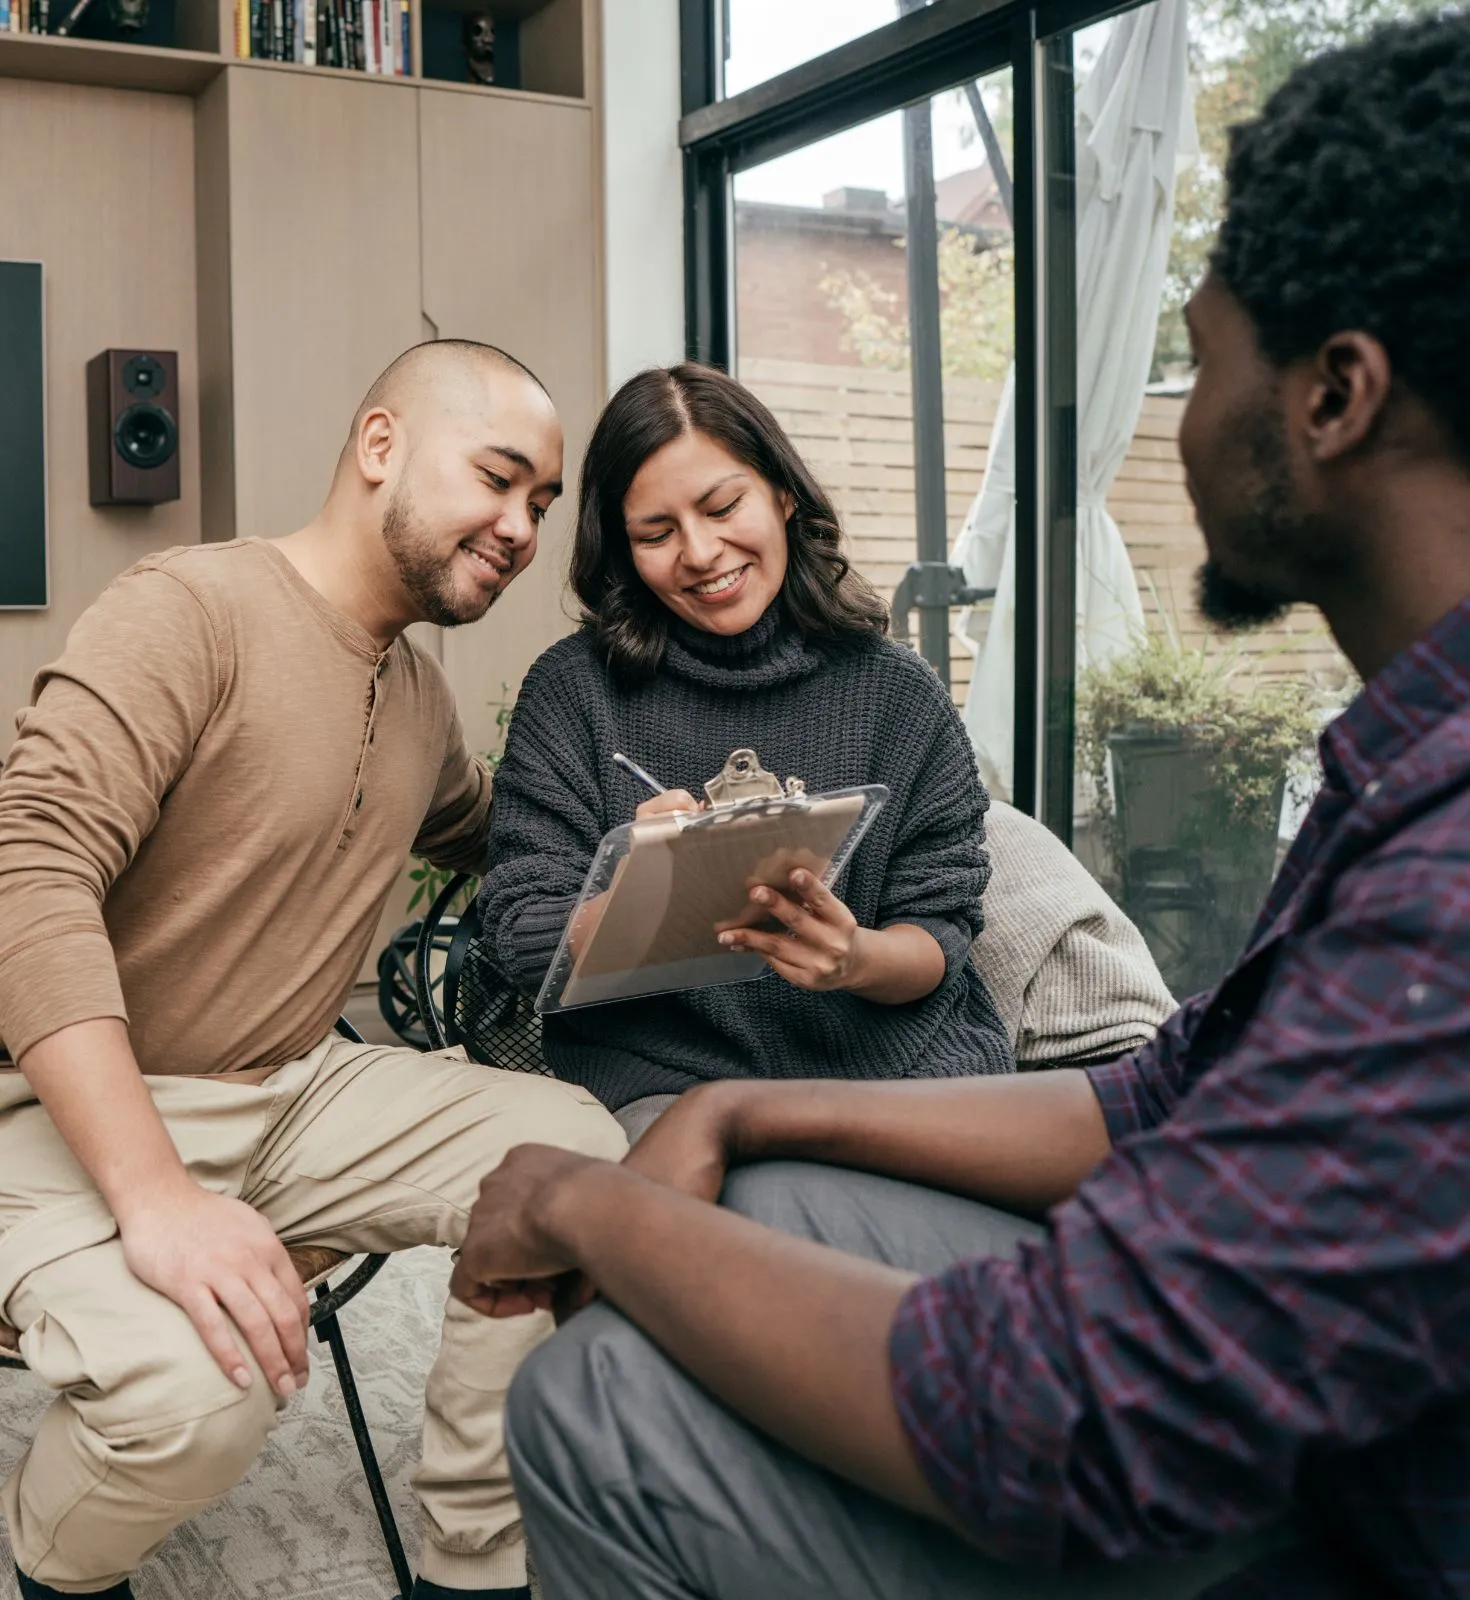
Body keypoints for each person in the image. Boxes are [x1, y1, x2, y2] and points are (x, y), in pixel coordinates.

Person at [451, 14, 1470, 1598]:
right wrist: (725, 1102)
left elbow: (1057, 1412)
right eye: (654, 529)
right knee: (765, 1197)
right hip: (706, 1091)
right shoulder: (1393, 775)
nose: (1173, 420)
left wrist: (596, 1202)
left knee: (592, 1397)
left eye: (1194, 361)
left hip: (1344, 1526)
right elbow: (1161, 1097)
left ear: (1334, 395)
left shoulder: (1441, 875)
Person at [0, 340, 626, 1600]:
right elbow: (27, 865)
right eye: (500, 479)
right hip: (57, 1109)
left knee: (572, 1162)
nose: (519, 529)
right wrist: (160, 1198)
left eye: (542, 506)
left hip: (293, 1092)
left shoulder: (416, 698)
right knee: (196, 1400)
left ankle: (471, 1564)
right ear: (381, 445)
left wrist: (648, 852)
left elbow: (503, 831)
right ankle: (55, 1568)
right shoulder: (189, 609)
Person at [477, 363, 1014, 1136]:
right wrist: (634, 898)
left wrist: (853, 958)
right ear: (624, 551)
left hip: (899, 1073)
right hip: (669, 1087)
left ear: (783, 494)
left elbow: (942, 932)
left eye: (724, 505)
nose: (699, 553)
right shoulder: (574, 694)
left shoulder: (898, 694)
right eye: (656, 534)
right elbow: (518, 932)